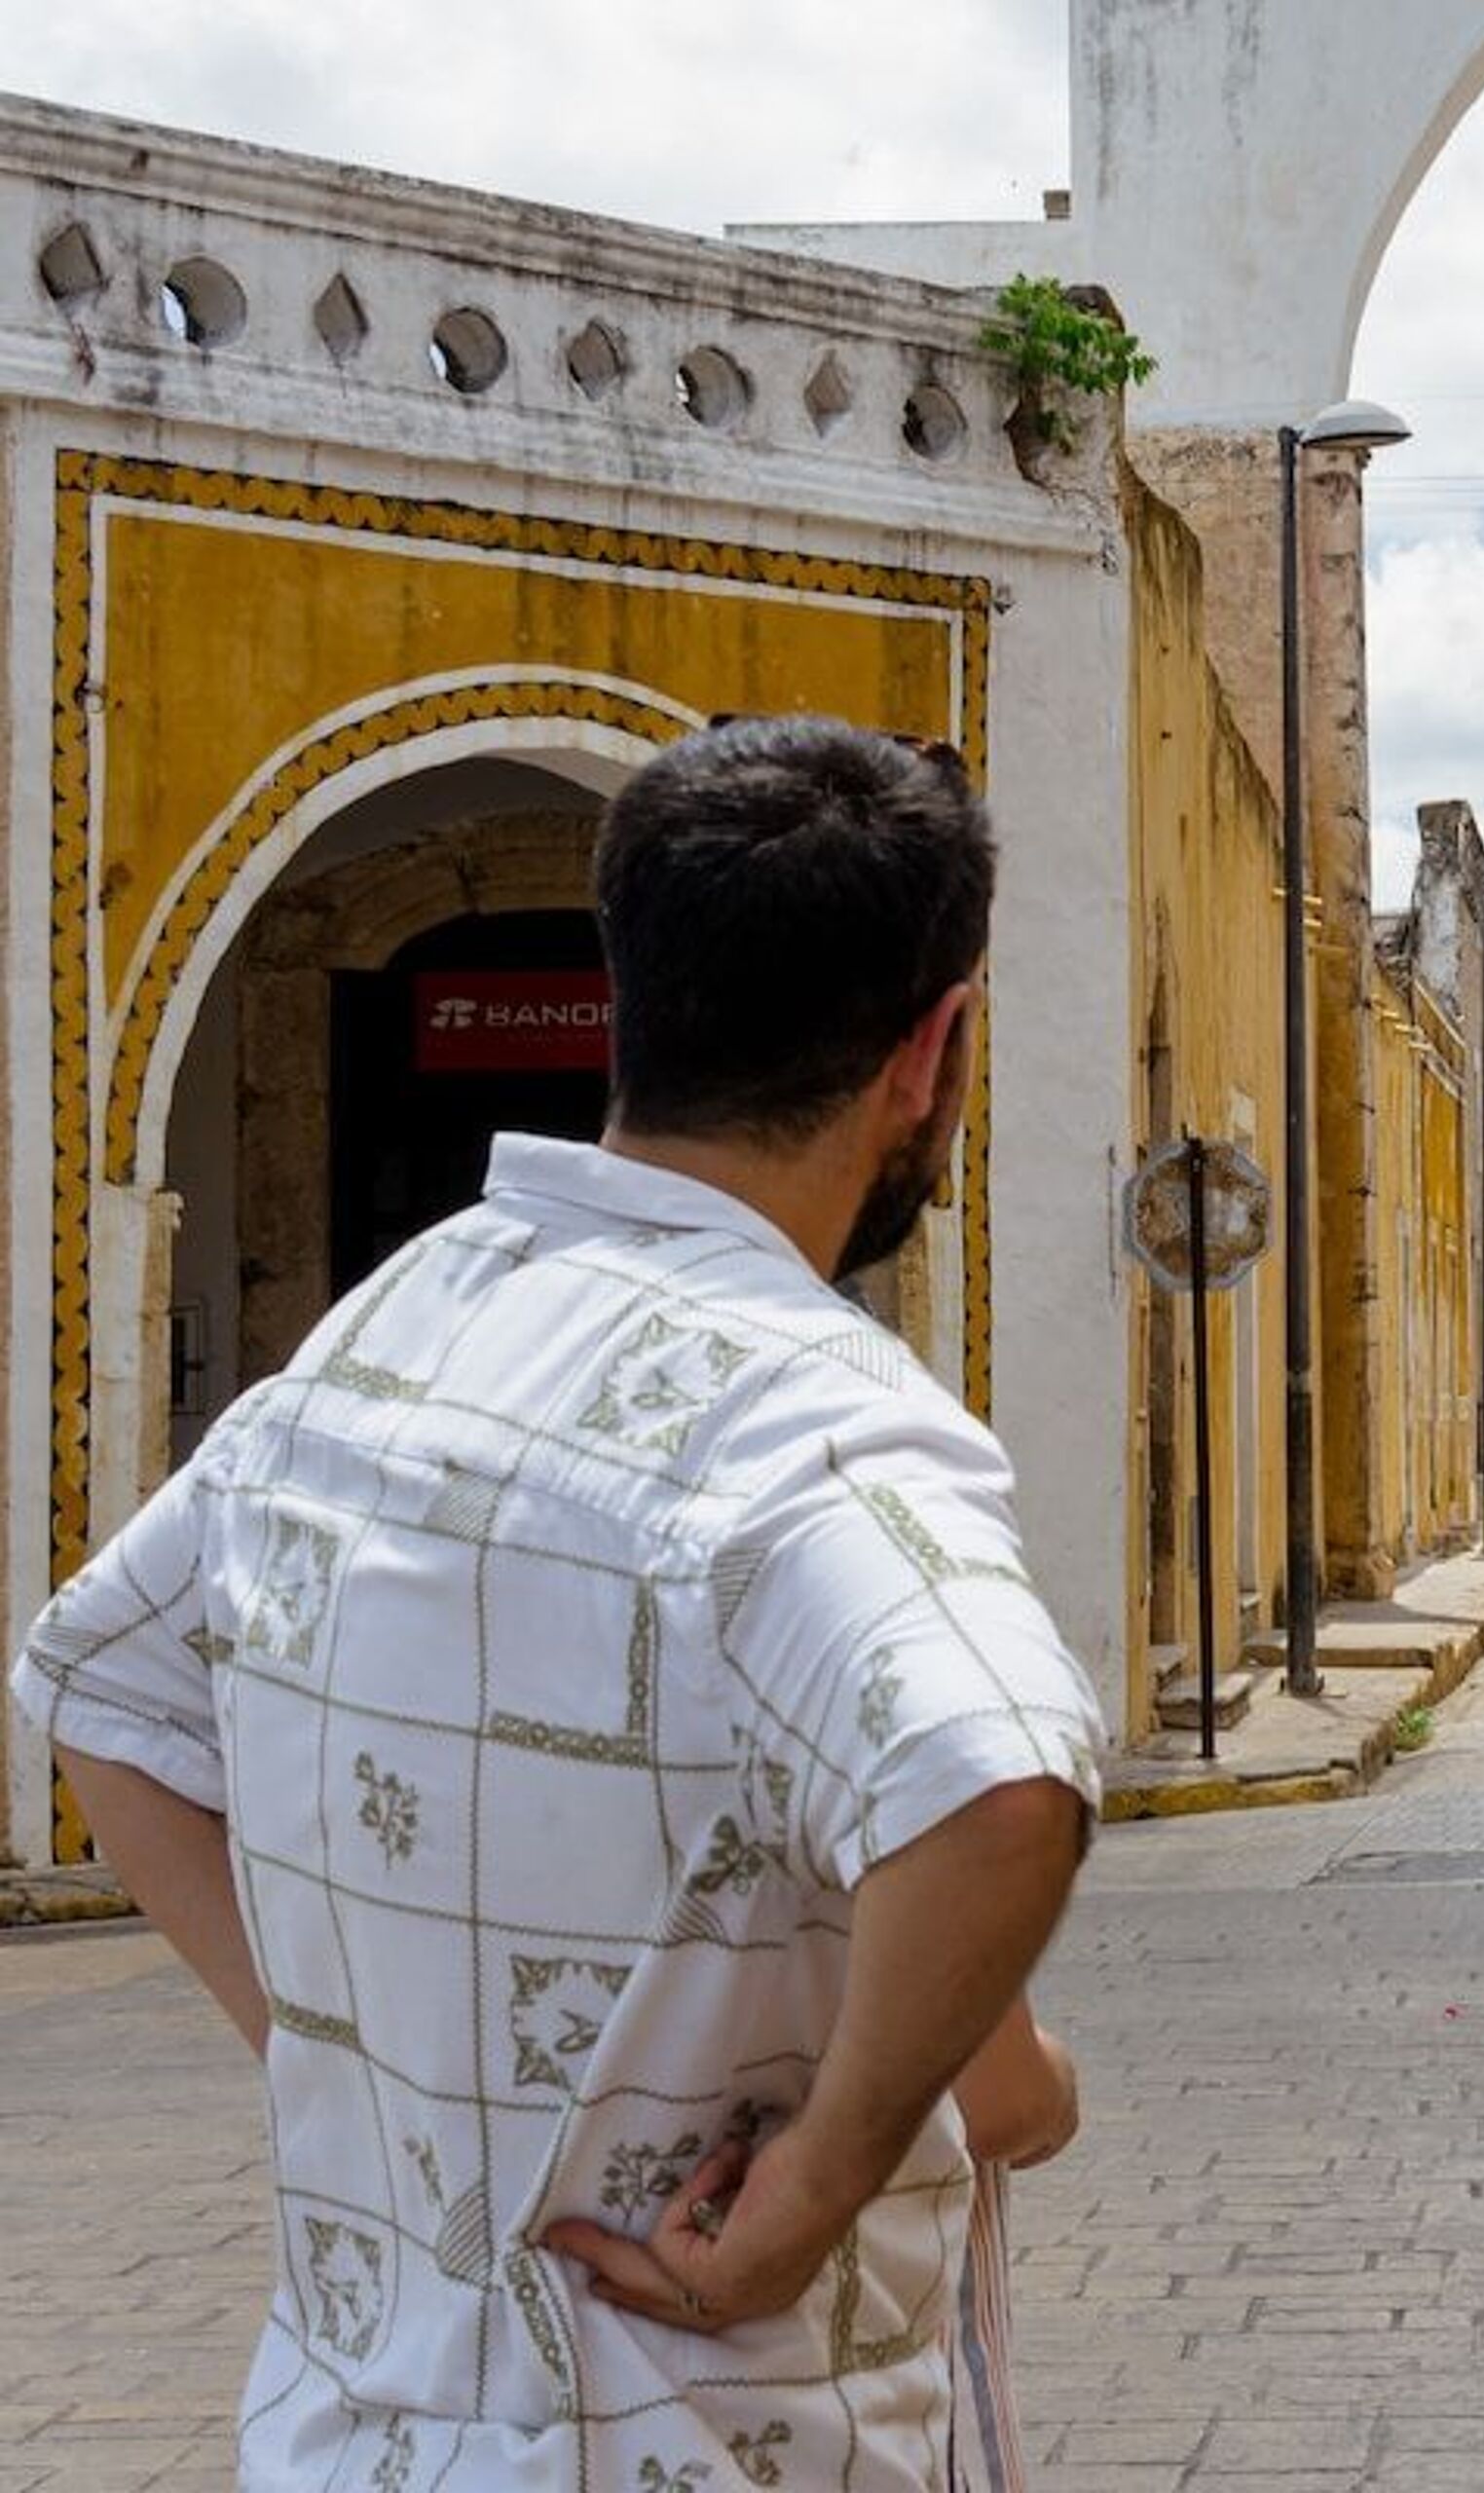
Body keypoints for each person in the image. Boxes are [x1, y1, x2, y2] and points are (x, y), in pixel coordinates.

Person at [9, 718, 1105, 2490]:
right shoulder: (819, 1422)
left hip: (342, 2435)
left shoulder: (391, 1330)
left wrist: (338, 2057)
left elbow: (99, 1690)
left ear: (634, 991)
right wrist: (815, 2185)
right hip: (693, 2433)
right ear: (937, 1050)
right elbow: (994, 1786)